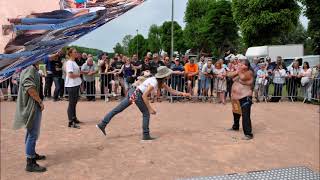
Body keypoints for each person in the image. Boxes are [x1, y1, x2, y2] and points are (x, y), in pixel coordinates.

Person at [96, 66, 191, 140]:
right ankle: (146, 135)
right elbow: (144, 96)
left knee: (118, 109)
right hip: (137, 94)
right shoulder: (154, 82)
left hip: (133, 92)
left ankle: (102, 124)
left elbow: (171, 91)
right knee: (146, 113)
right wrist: (150, 109)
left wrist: (183, 94)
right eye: (168, 74)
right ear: (164, 75)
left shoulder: (160, 82)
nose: (170, 75)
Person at [13, 61, 46, 172]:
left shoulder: (31, 67)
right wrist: (40, 101)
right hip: (32, 106)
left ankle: (32, 154)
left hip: (33, 105)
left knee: (31, 132)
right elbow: (30, 88)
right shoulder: (29, 69)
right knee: (32, 133)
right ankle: (30, 162)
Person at [227, 55, 254, 140]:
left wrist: (237, 71)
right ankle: (235, 126)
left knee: (245, 115)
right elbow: (229, 75)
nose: (239, 65)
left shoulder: (249, 72)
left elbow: (242, 77)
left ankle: (248, 134)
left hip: (245, 97)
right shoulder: (239, 71)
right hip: (236, 98)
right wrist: (236, 71)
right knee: (236, 113)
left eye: (241, 64)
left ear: (246, 66)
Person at [65, 48, 82, 128]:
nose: (76, 53)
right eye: (75, 52)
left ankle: (74, 118)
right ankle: (70, 122)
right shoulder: (69, 63)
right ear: (70, 54)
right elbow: (70, 75)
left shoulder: (73, 62)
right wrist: (79, 75)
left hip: (75, 84)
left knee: (74, 102)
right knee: (71, 103)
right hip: (71, 85)